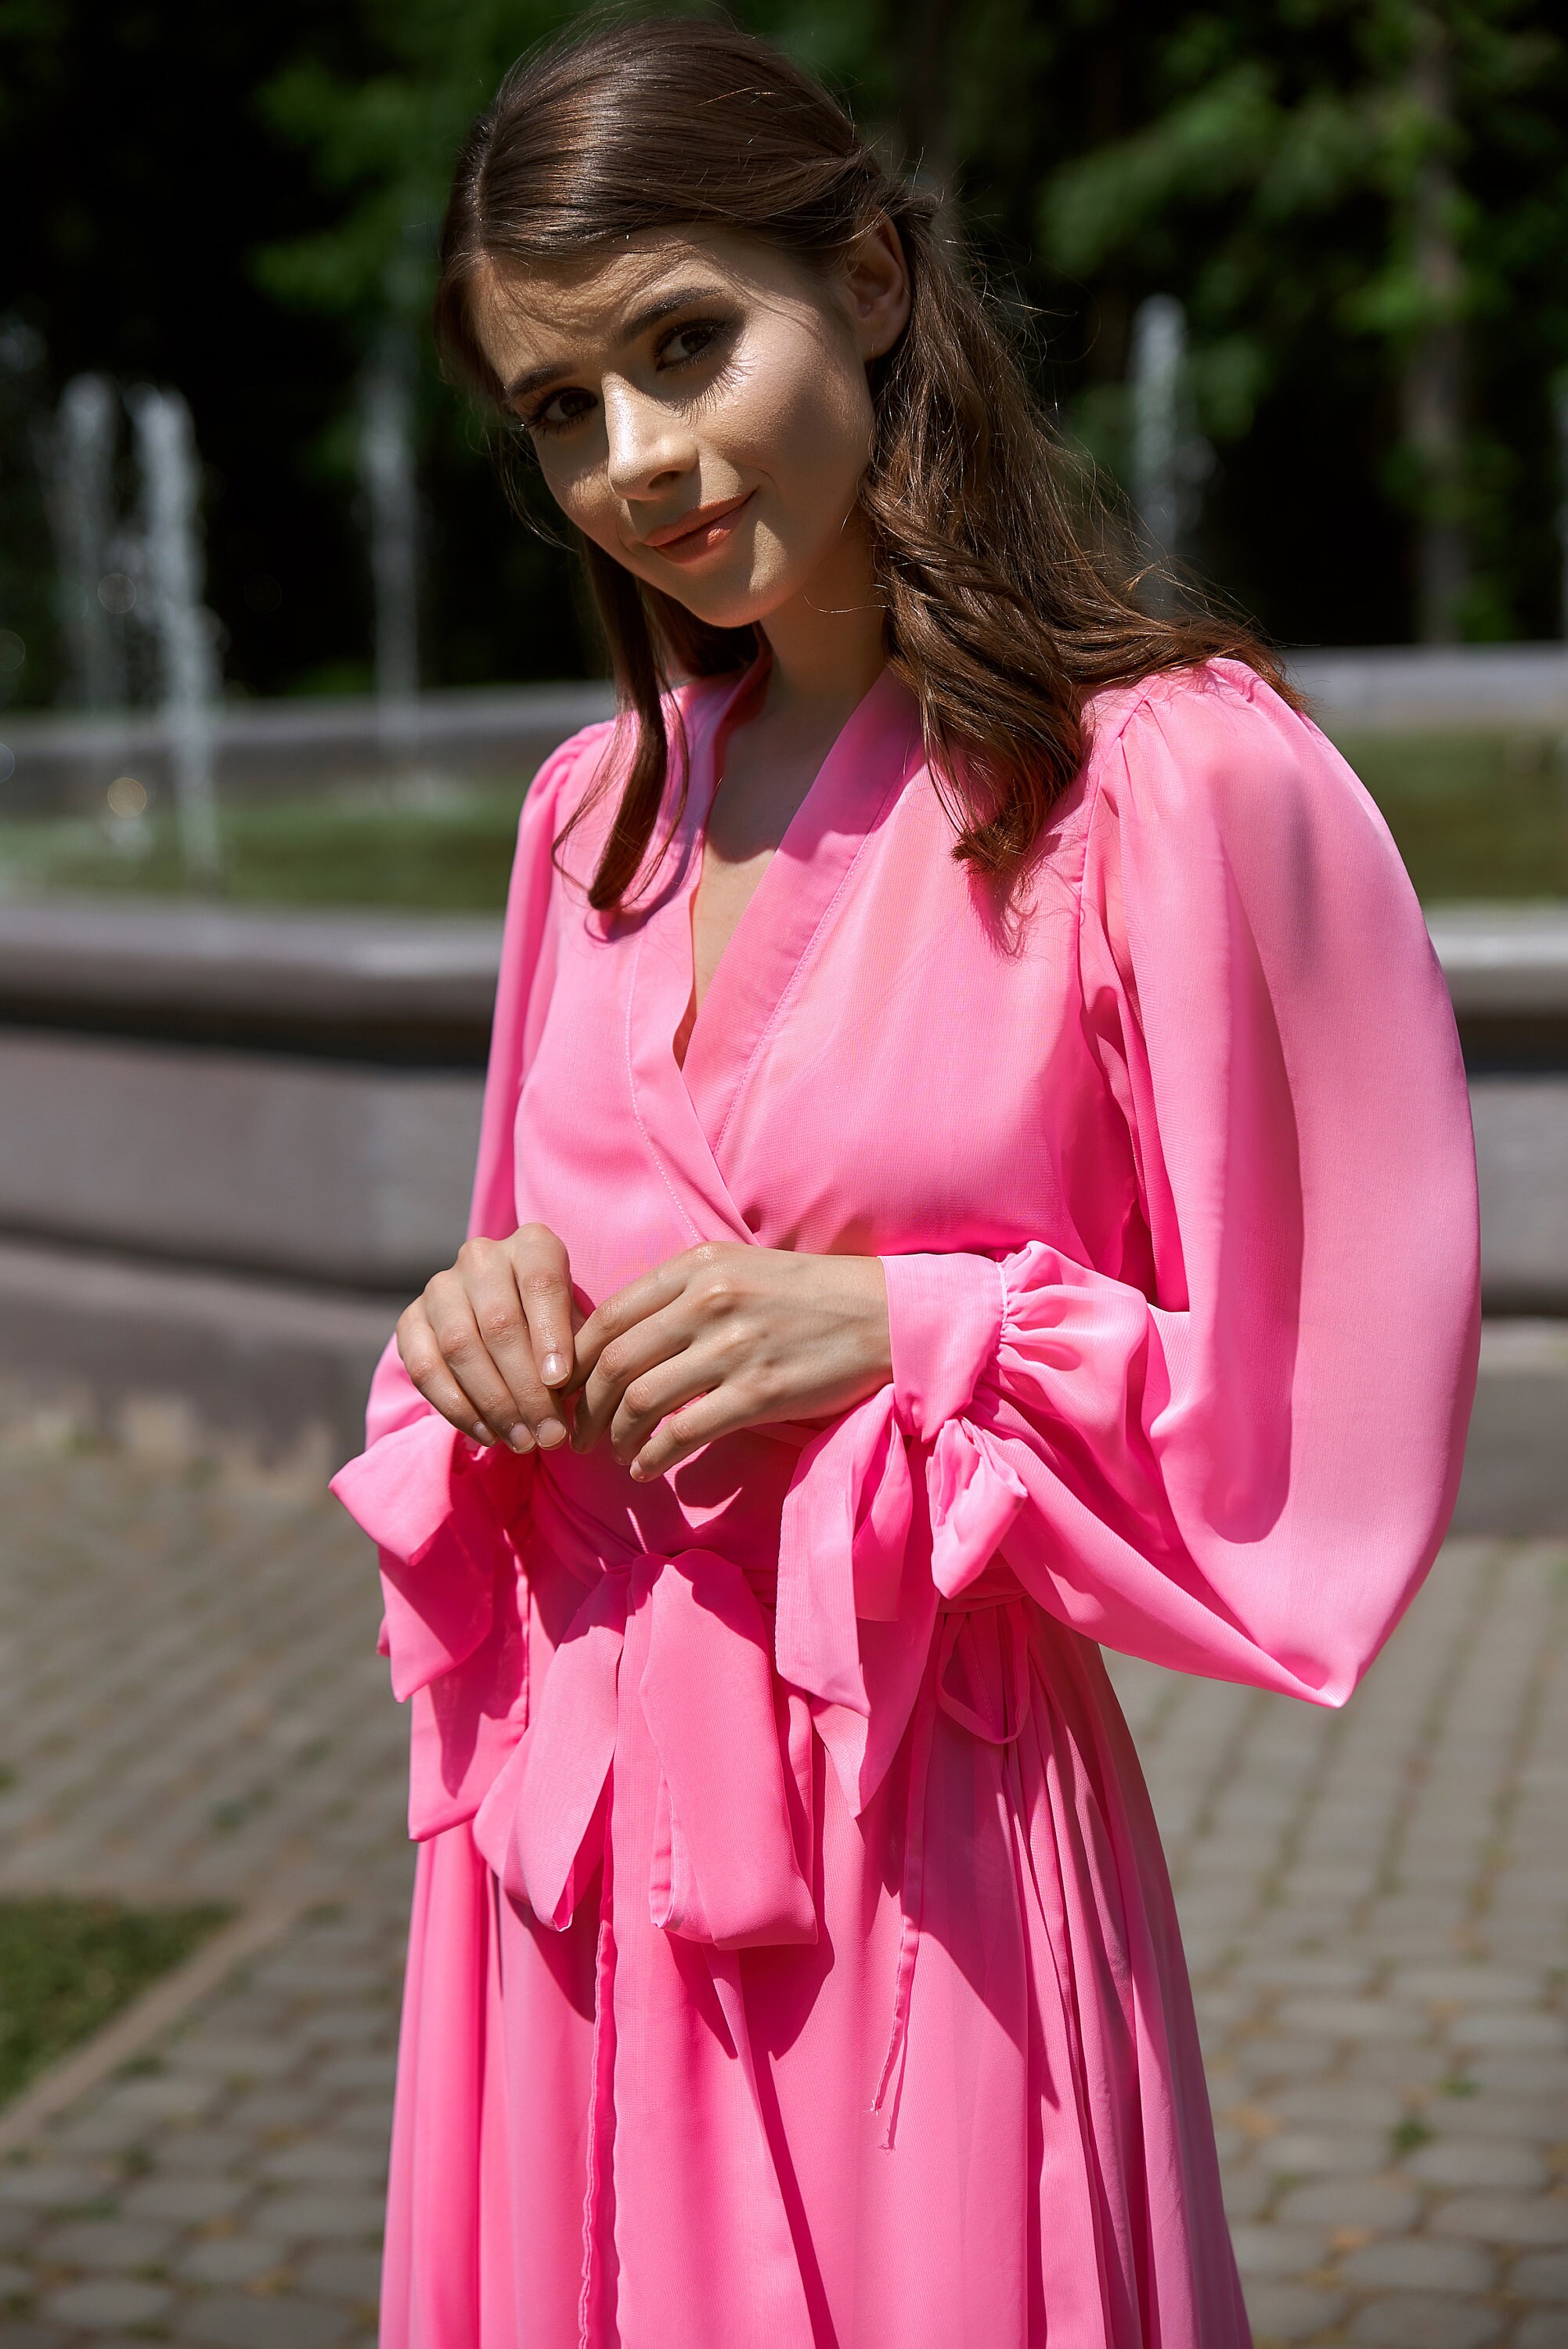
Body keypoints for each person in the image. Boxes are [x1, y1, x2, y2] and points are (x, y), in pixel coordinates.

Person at [330, 20, 1480, 2347]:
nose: (635, 459)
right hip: (560, 1855)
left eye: (684, 344)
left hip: (918, 1857)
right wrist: (471, 1333)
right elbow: (528, 1265)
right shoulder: (591, 819)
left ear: (864, 280)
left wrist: (902, 1328)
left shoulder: (1167, 788)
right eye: (561, 407)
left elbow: (1315, 1424)